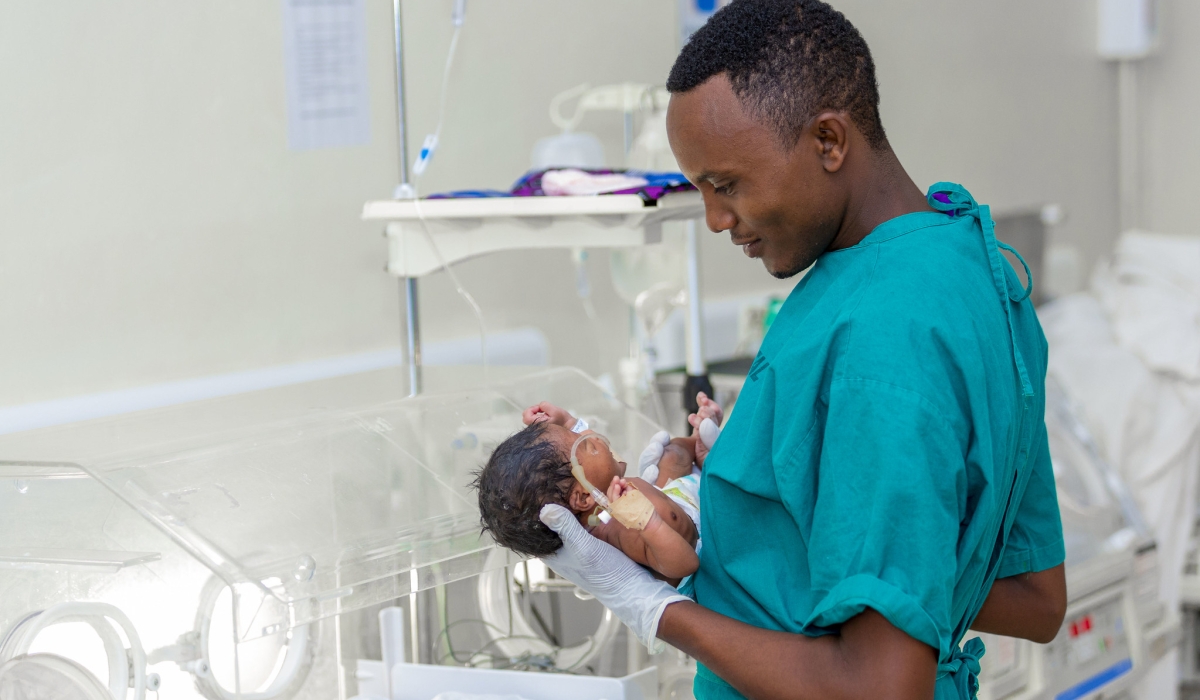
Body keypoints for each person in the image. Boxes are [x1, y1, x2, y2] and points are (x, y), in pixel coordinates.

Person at [535, 1, 1068, 699]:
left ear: (828, 141)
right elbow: (1034, 596)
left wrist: (655, 608)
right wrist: (794, 521)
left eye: (726, 185)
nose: (718, 220)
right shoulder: (968, 263)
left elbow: (880, 687)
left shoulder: (880, 341)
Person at [473, 396, 722, 584]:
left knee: (670, 453)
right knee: (672, 460)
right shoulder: (619, 531)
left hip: (679, 498)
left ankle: (698, 446)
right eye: (587, 445)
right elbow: (686, 564)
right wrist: (649, 524)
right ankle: (711, 460)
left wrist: (568, 422)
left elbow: (615, 466)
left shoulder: (597, 495)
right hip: (705, 537)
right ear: (583, 498)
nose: (592, 435)